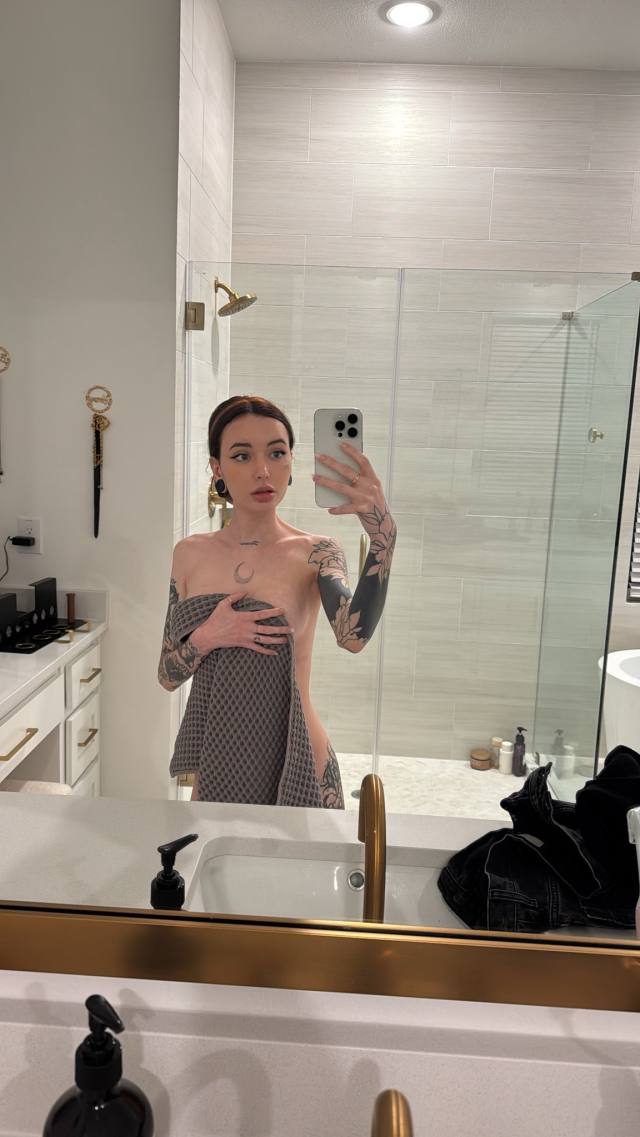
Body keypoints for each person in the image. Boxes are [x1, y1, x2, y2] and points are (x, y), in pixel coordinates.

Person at [158, 394, 397, 808]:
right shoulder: (189, 554)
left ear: (290, 463)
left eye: (276, 453)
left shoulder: (316, 551)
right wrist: (209, 635)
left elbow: (352, 636)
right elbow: (167, 674)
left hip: (300, 758)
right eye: (242, 455)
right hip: (219, 767)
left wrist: (383, 538)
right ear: (217, 468)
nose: (263, 470)